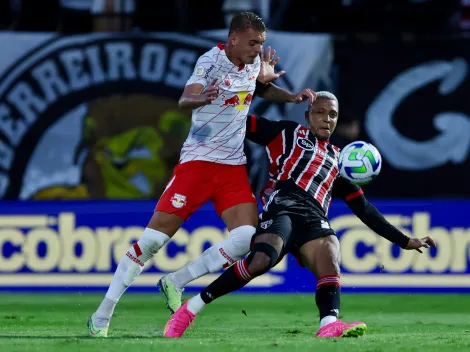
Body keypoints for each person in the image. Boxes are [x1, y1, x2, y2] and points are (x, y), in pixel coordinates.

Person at [87, 11, 315, 337]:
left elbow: (258, 89)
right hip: (198, 165)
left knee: (246, 238)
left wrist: (288, 95)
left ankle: (176, 280)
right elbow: (184, 98)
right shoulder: (210, 61)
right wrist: (201, 96)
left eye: (260, 43)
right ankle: (102, 315)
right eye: (252, 42)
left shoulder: (252, 64)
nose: (256, 48)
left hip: (232, 168)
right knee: (151, 242)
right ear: (234, 38)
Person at [163, 91, 437, 338]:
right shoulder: (286, 133)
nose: (326, 119)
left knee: (330, 249)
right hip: (282, 205)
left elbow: (363, 209)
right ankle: (190, 308)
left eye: (332, 114)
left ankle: (328, 324)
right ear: (308, 115)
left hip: (314, 217)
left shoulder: (340, 160)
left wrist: (404, 241)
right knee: (261, 261)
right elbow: (239, 121)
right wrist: (239, 92)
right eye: (319, 112)